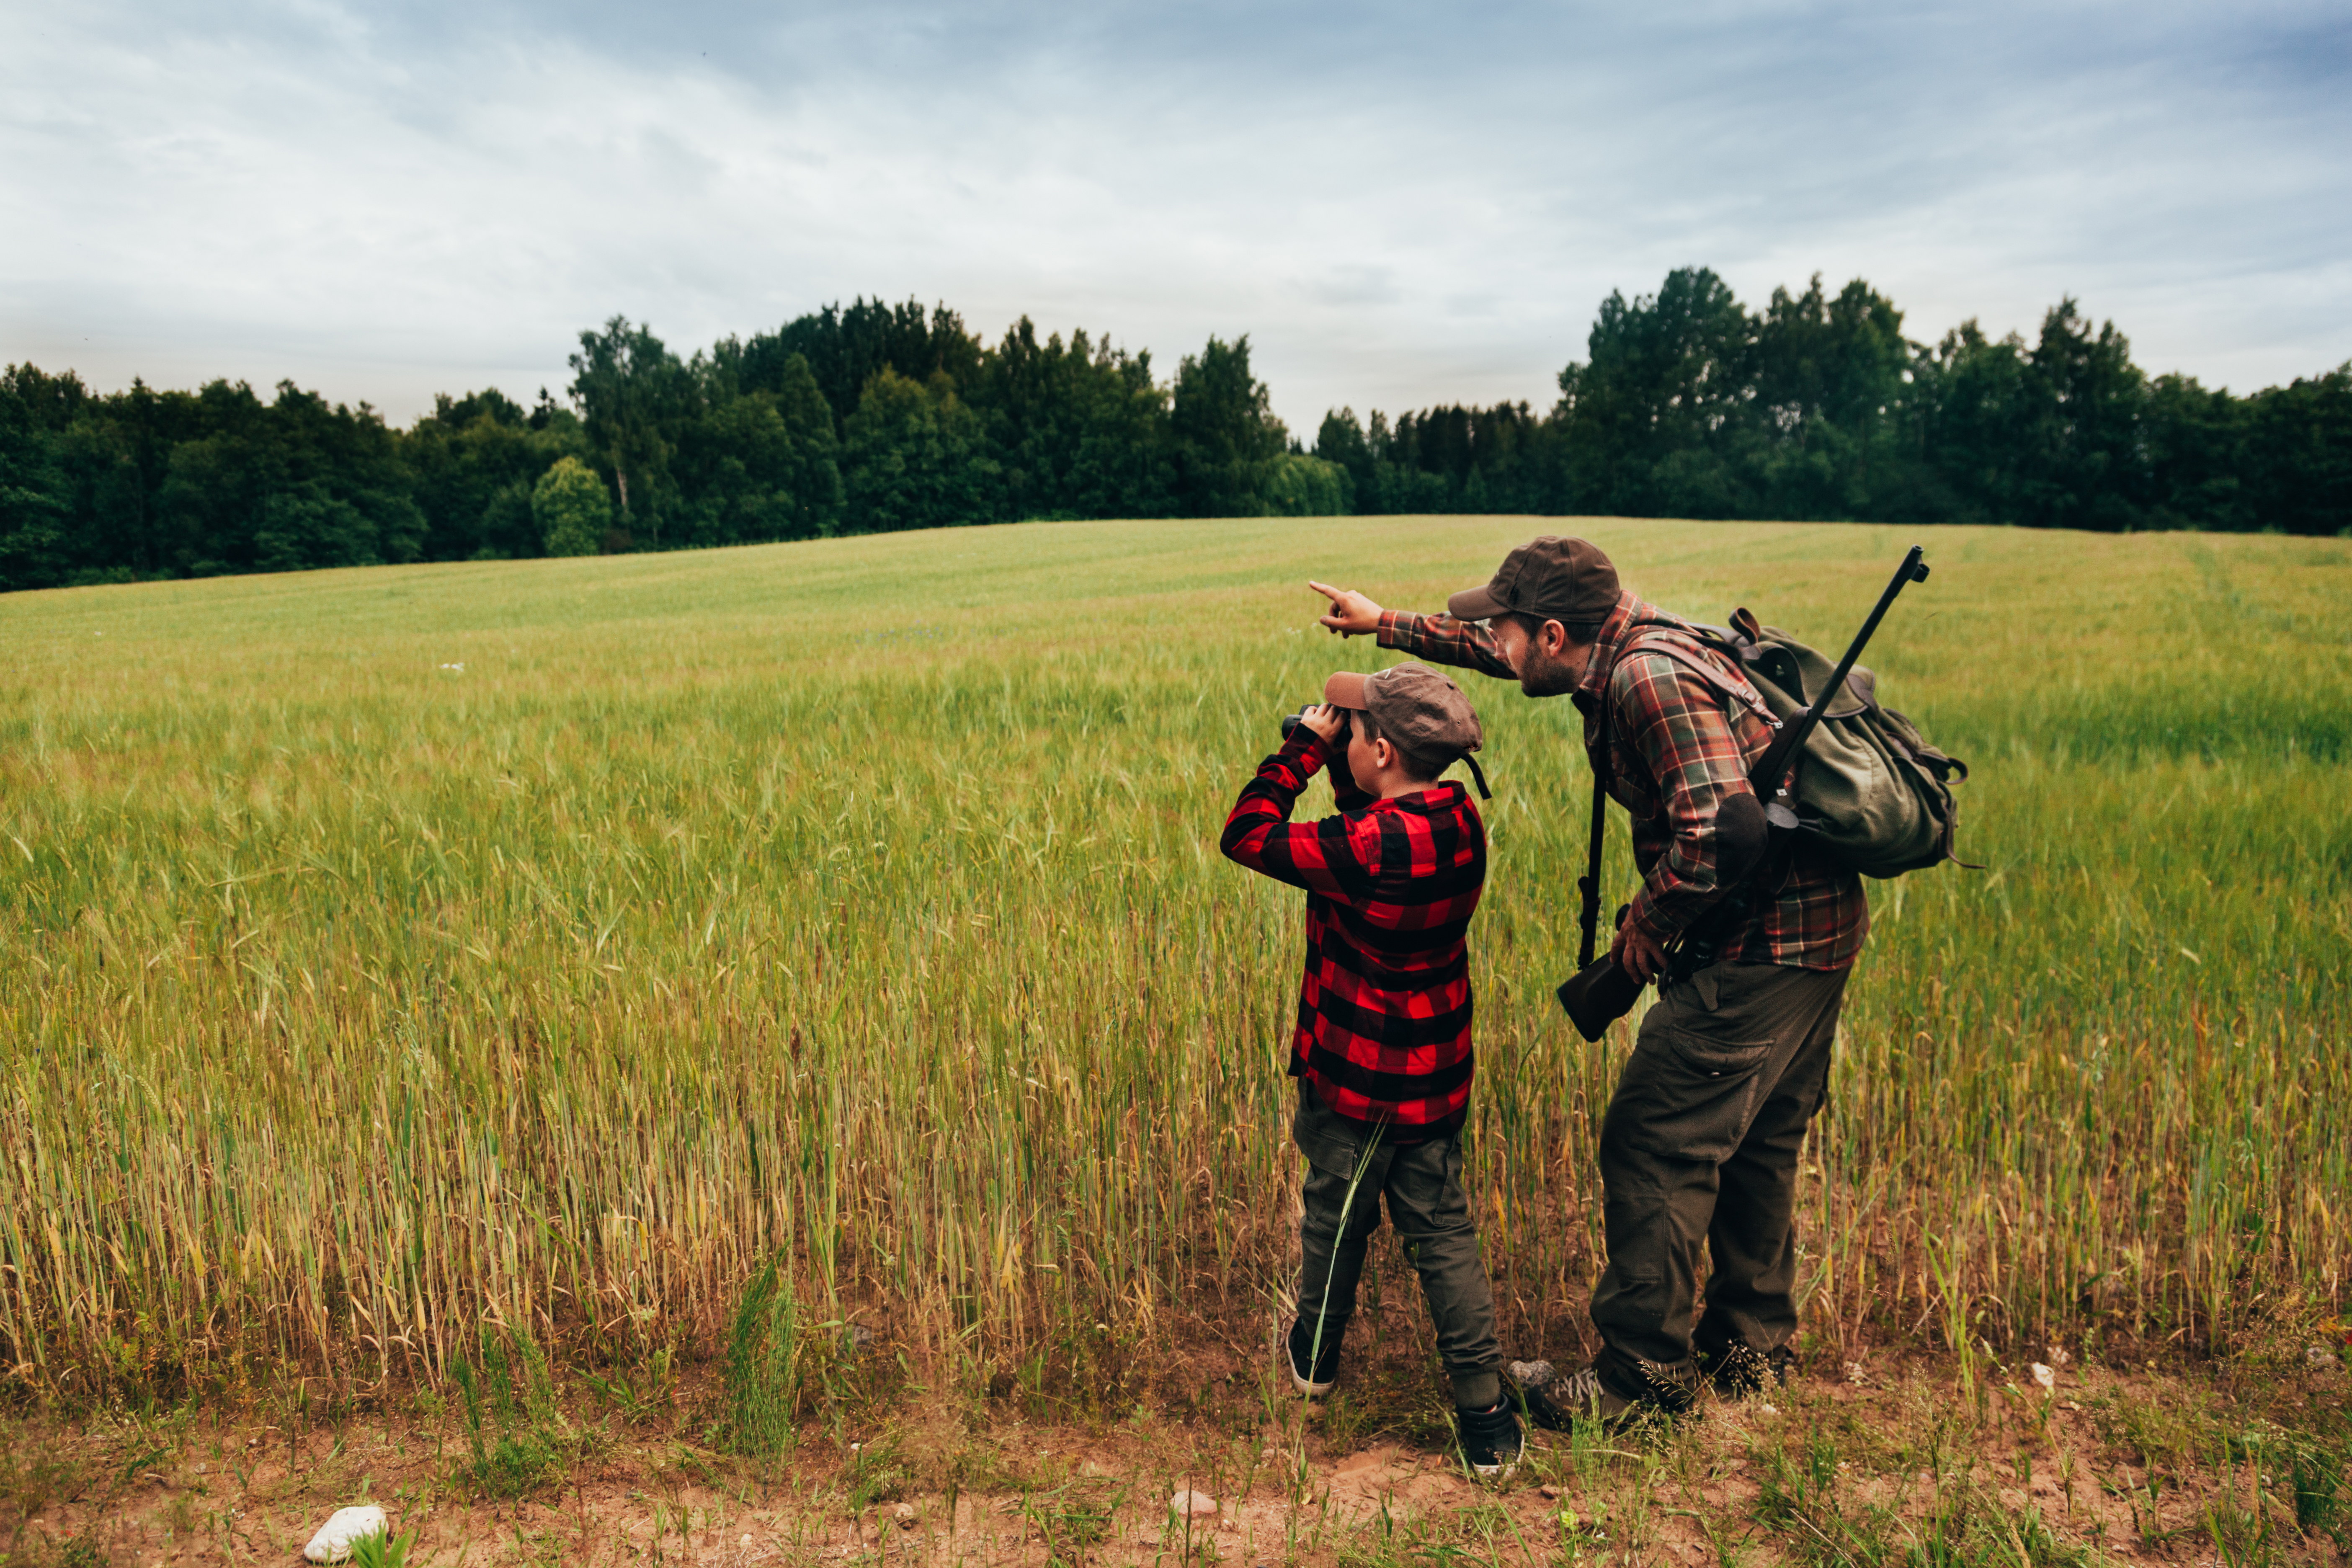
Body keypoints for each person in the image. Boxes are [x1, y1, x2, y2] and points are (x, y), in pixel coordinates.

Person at [1309, 536, 1866, 1421]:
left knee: (1655, 1140)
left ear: (1557, 632)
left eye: (1510, 628)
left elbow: (1727, 833)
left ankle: (1639, 1386)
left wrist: (1648, 922)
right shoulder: (1636, 637)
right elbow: (1500, 653)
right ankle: (1751, 1357)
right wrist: (1389, 627)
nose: (1498, 641)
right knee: (1758, 1144)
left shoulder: (1649, 681)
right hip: (1813, 940)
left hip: (1757, 951)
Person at [1217, 661, 1522, 1476]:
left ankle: (1315, 1357)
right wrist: (1344, 757)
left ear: (1382, 751)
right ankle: (1486, 1416)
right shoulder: (1458, 818)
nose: (1337, 735)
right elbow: (1384, 824)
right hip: (1432, 1076)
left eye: (1351, 731)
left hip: (1352, 1078)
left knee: (1336, 1214)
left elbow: (1246, 834)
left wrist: (1299, 752)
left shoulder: (1363, 845)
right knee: (1444, 1235)